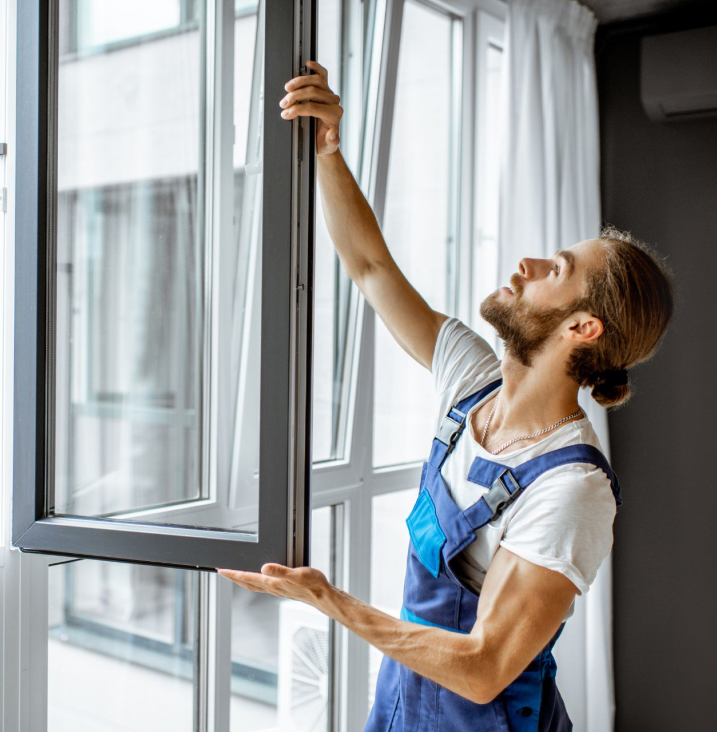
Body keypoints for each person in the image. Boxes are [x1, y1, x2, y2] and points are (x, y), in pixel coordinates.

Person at [218, 61, 675, 731]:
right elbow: (372, 270)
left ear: (582, 328)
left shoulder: (572, 487)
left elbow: (486, 665)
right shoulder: (471, 380)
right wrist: (329, 151)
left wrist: (330, 601)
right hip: (404, 703)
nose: (528, 265)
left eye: (558, 270)